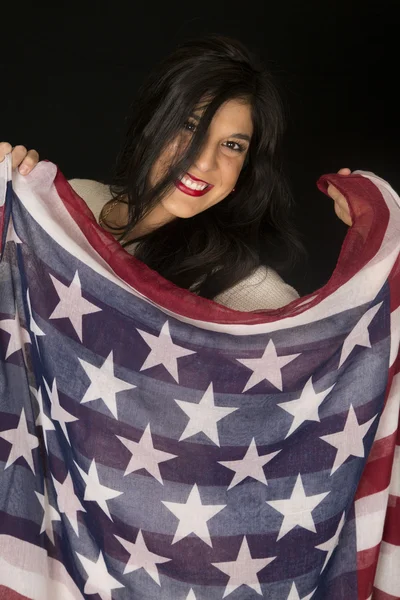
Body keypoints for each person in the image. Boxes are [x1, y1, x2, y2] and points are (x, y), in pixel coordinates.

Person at [0, 35, 352, 311]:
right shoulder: (73, 200)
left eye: (233, 145)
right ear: (153, 123)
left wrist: (382, 253)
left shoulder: (248, 292)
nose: (202, 162)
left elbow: (335, 375)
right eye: (189, 126)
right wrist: (8, 198)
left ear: (246, 169)